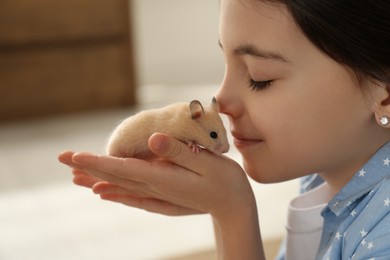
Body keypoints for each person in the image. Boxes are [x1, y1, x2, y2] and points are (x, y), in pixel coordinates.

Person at [58, 0, 390, 259]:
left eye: (260, 78)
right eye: (225, 64)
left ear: (385, 94)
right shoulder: (324, 176)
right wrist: (221, 205)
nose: (220, 99)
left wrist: (233, 216)